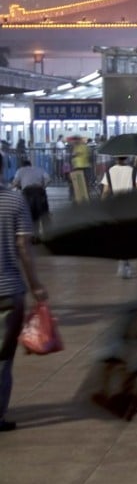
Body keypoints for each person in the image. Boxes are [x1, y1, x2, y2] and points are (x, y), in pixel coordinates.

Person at [0, 151, 48, 433]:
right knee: (3, 360)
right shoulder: (14, 200)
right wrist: (36, 285)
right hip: (8, 291)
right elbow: (23, 249)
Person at [102, 156, 137, 278]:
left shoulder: (109, 171)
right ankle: (126, 263)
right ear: (127, 158)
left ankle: (122, 261)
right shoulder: (134, 171)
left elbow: (105, 191)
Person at [11, 159, 50, 223]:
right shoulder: (39, 169)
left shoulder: (20, 170)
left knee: (27, 212)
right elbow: (48, 179)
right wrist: (43, 187)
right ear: (30, 164)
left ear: (22, 166)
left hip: (27, 192)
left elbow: (15, 183)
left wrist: (17, 187)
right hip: (39, 191)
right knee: (44, 212)